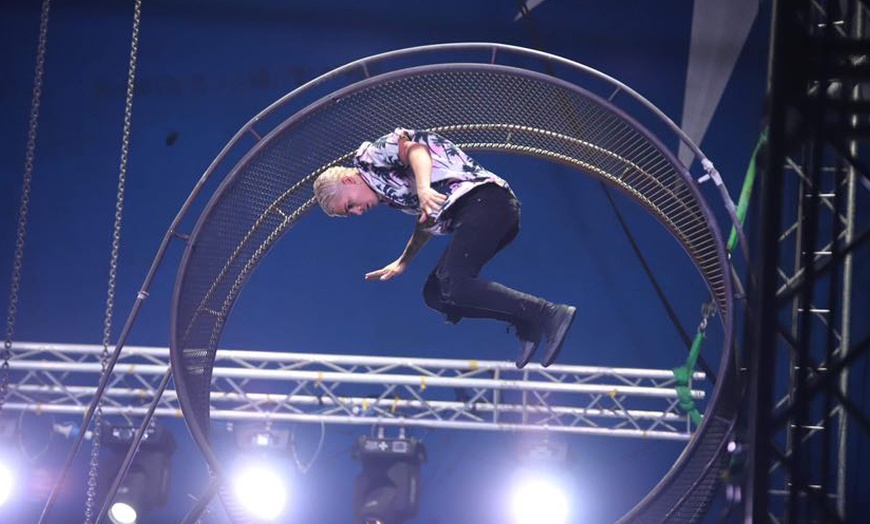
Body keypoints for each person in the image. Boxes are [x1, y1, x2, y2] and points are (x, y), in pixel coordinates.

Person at [313, 128, 576, 368]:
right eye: (351, 213)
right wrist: (404, 260)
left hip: (486, 202)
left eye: (351, 206)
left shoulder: (371, 158)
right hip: (476, 217)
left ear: (349, 182)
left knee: (455, 283)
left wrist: (424, 187)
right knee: (436, 293)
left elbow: (417, 150)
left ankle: (548, 313)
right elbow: (426, 219)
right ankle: (525, 320)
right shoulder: (388, 192)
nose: (359, 212)